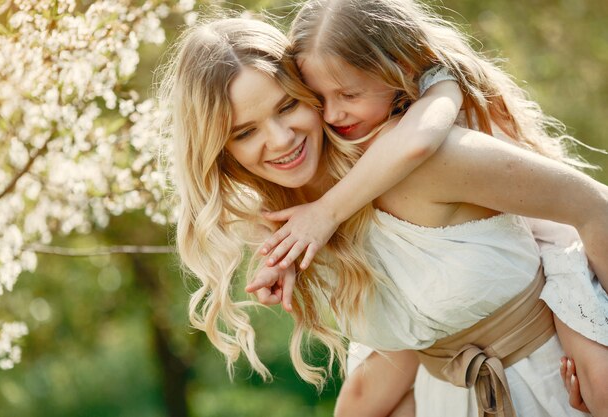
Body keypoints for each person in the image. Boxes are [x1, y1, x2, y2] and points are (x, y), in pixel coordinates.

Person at [158, 14, 608, 417]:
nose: (278, 140)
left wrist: (588, 332)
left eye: (288, 105)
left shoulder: (425, 160)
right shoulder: (289, 223)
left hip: (557, 390)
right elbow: (413, 344)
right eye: (245, 131)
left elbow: (591, 208)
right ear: (221, 152)